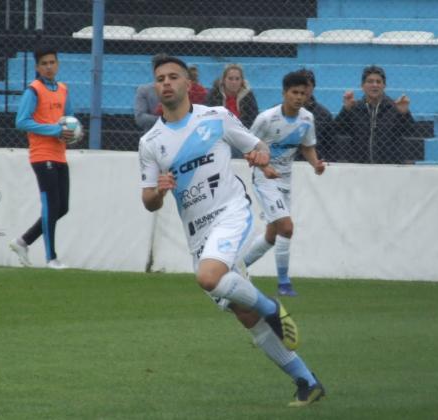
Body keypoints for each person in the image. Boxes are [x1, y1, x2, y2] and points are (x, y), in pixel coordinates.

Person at [138, 54, 325, 407]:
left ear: (186, 84)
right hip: (197, 233)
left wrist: (260, 157)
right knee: (243, 313)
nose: (165, 83)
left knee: (209, 277)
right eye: (160, 78)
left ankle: (271, 306)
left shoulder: (216, 118)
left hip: (231, 214)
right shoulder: (151, 142)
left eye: (172, 76)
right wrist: (160, 190)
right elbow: (148, 201)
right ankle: (306, 380)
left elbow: (259, 148)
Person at [242, 72, 326, 297]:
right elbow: (247, 148)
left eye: (303, 93)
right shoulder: (266, 119)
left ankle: (238, 267)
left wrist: (316, 164)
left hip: (286, 179)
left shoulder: (307, 119)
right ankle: (284, 283)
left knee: (272, 235)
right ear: (284, 94)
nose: (299, 97)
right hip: (264, 179)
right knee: (287, 228)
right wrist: (264, 167)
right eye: (294, 93)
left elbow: (307, 147)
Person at [9, 45, 79, 270]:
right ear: (38, 67)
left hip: (59, 154)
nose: (49, 67)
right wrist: (54, 131)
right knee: (50, 206)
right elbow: (22, 121)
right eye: (44, 63)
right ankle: (51, 258)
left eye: (52, 62)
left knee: (62, 207)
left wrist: (72, 133)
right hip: (41, 154)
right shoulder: (34, 90)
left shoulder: (63, 89)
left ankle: (23, 241)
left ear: (58, 64)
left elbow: (68, 118)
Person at [334, 65, 415, 164]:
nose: (375, 85)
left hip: (389, 168)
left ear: (384, 86)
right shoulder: (354, 108)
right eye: (370, 81)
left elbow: (412, 134)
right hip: (359, 167)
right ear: (362, 86)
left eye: (378, 81)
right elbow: (335, 131)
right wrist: (346, 109)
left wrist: (404, 114)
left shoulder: (395, 108)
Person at [205, 63, 259, 129]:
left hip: (242, 131)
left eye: (237, 79)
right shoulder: (214, 94)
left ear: (242, 81)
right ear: (224, 80)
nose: (234, 82)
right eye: (230, 79)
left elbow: (252, 119)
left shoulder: (248, 96)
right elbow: (208, 116)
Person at [296, 68, 334, 161]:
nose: (303, 89)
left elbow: (331, 145)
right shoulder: (282, 111)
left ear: (313, 87)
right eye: (299, 85)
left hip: (315, 163)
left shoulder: (324, 115)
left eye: (307, 85)